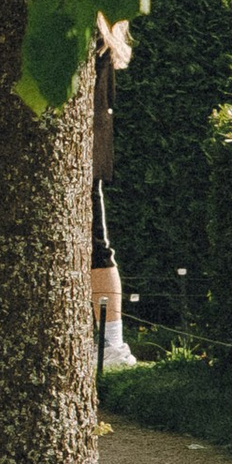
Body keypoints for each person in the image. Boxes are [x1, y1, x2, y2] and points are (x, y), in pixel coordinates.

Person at [91, 21, 137, 367]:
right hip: (88, 158)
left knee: (98, 249)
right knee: (97, 247)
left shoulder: (95, 31)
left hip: (86, 160)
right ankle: (109, 345)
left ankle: (111, 345)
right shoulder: (103, 32)